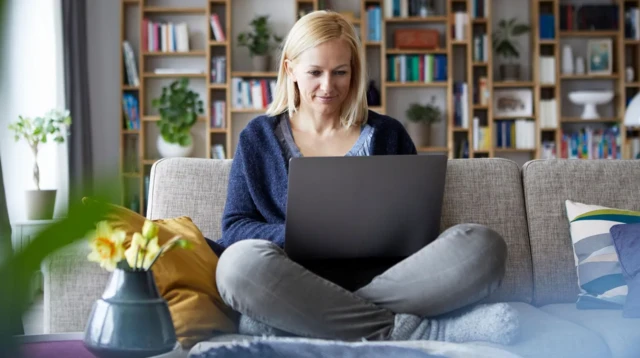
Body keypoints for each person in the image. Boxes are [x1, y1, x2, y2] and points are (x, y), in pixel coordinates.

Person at [214, 10, 519, 344]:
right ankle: (418, 330)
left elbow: (416, 228)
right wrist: (305, 234)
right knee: (237, 268)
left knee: (484, 247)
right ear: (290, 69)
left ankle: (305, 319)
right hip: (294, 279)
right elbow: (235, 227)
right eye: (315, 72)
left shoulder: (388, 134)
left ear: (354, 71)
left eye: (340, 72)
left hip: (389, 281)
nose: (328, 86)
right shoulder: (258, 138)